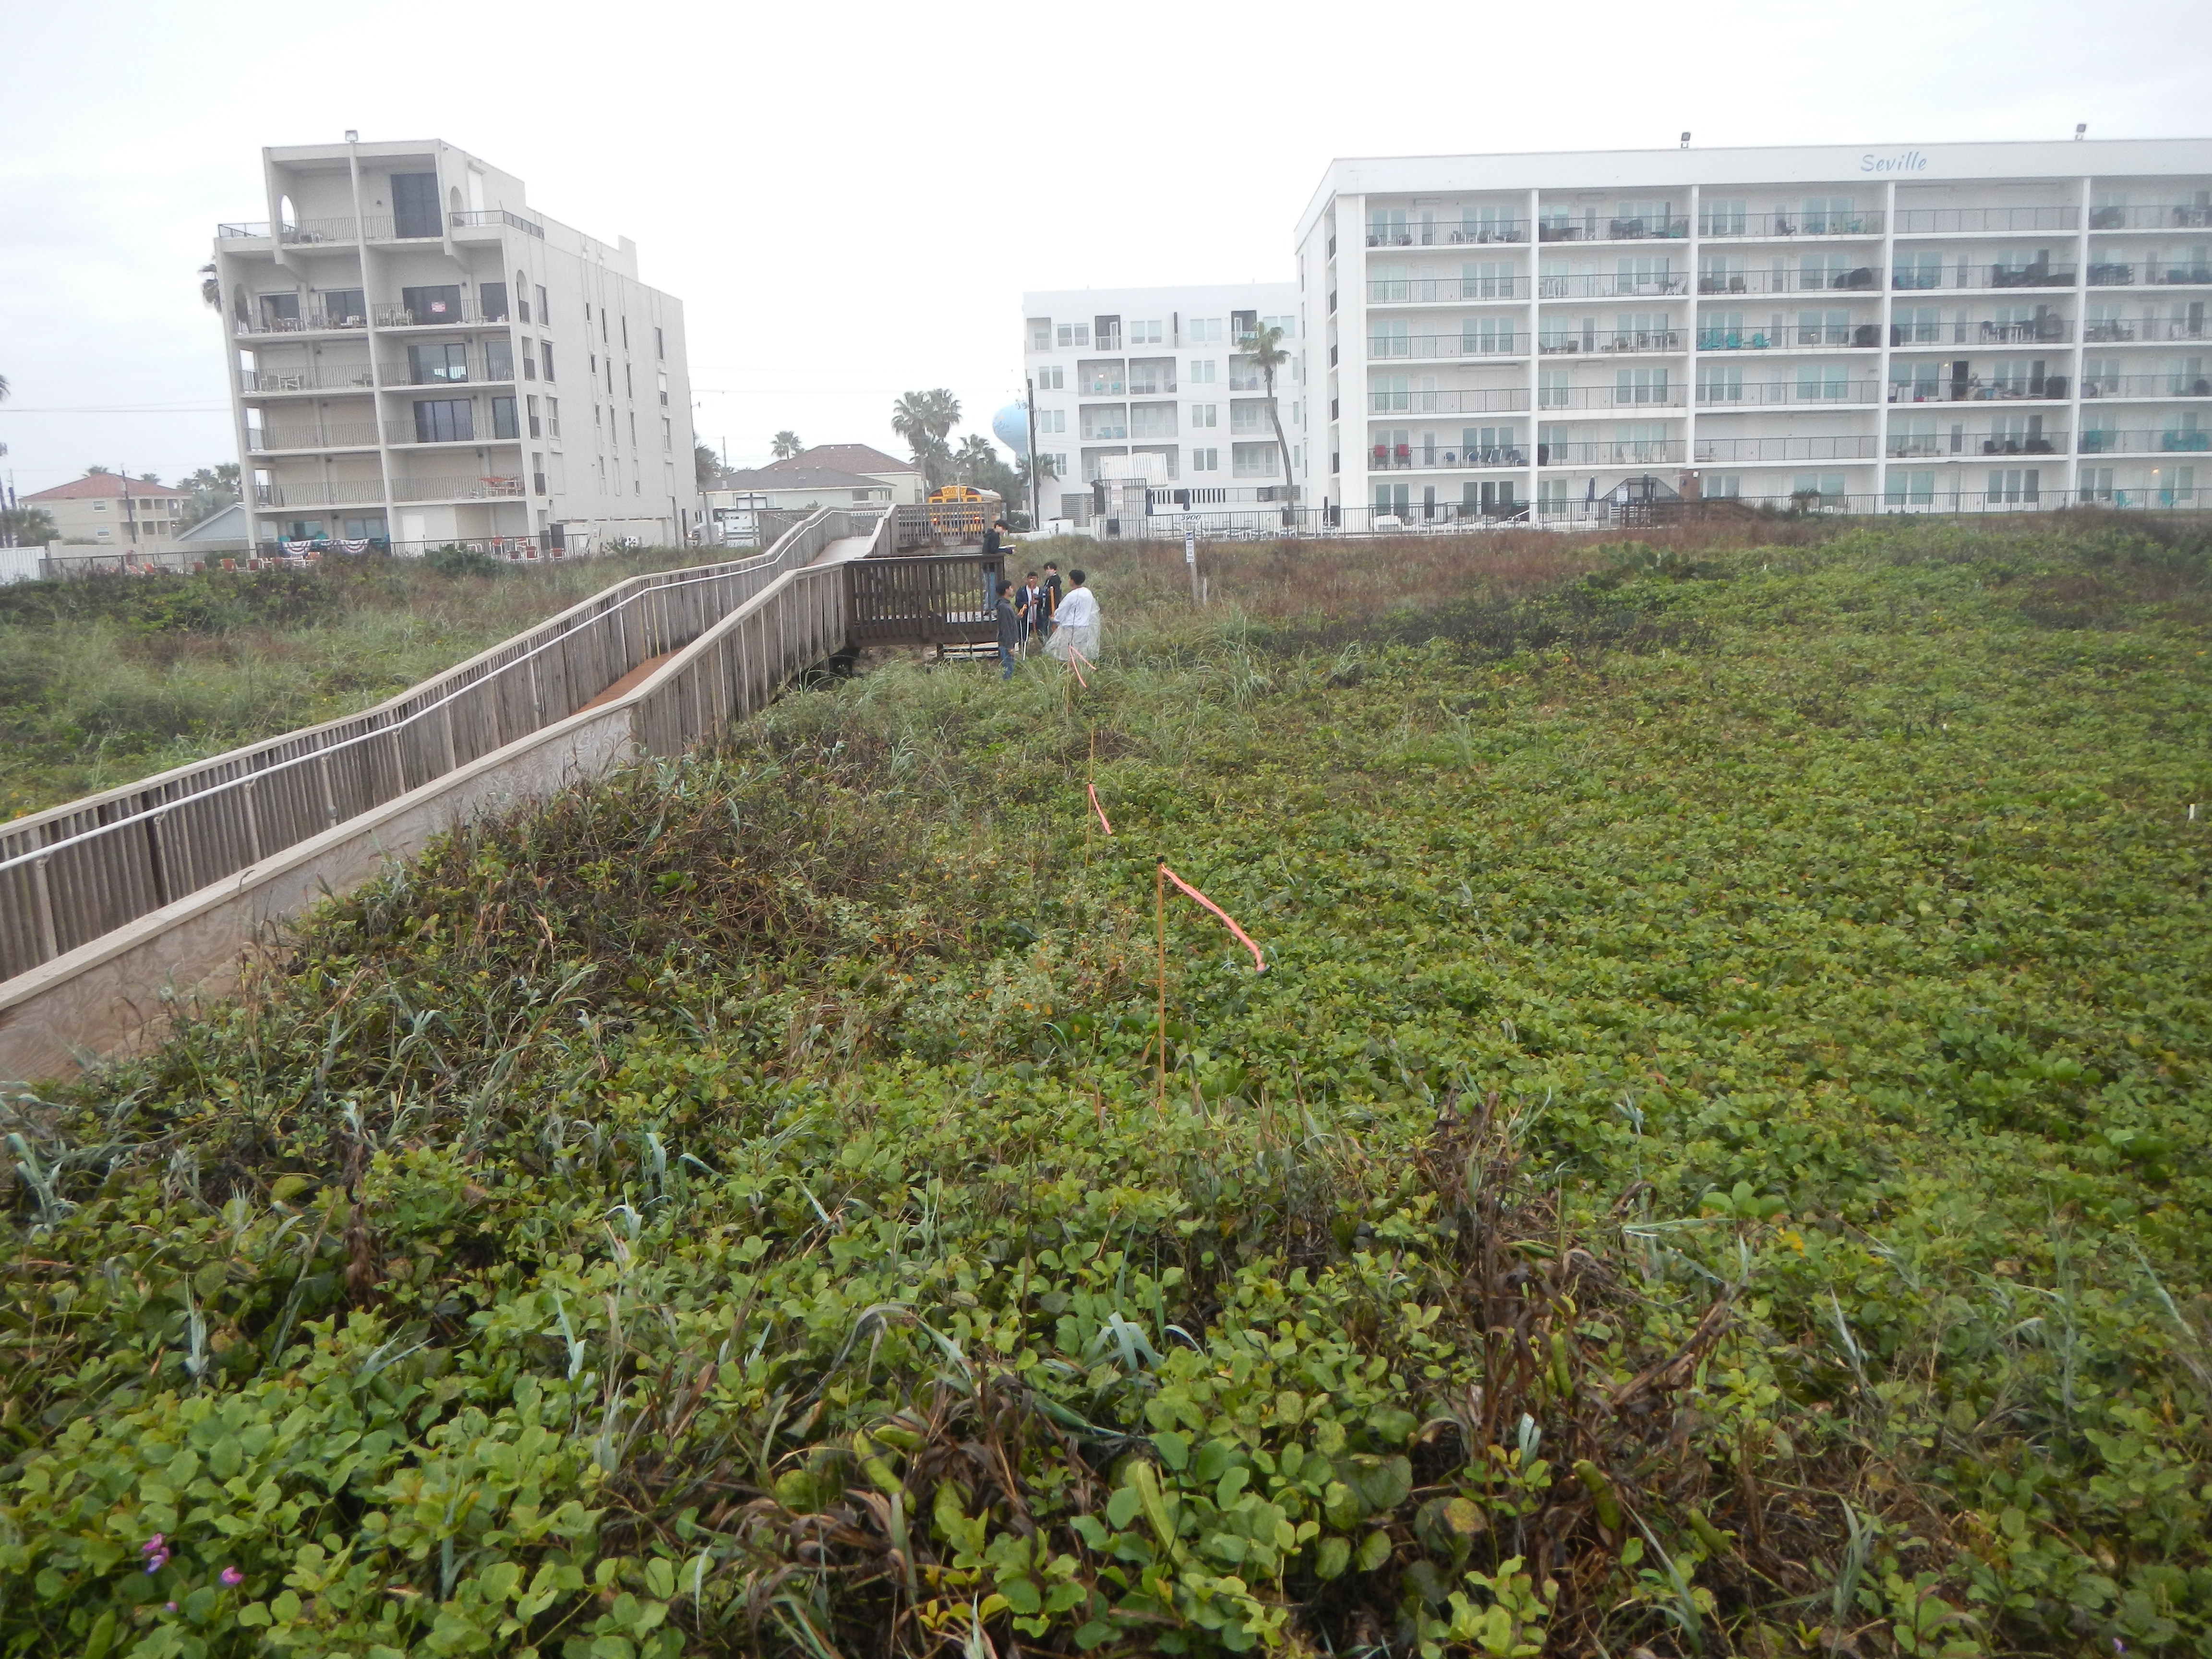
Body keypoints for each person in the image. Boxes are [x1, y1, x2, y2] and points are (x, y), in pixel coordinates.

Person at [1045, 567, 1099, 665]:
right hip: (1084, 627)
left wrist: (1055, 619)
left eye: (1070, 579)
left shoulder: (1072, 595)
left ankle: (1071, 672)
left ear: (1073, 581)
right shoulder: (1088, 593)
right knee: (1080, 651)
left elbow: (1062, 611)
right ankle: (1078, 670)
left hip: (1072, 628)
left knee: (1069, 652)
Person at [994, 579, 1021, 680]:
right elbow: (1005, 628)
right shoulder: (1004, 607)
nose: (1012, 589)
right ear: (1006, 590)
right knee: (1008, 670)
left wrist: (1018, 617)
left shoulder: (1006, 605)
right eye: (1010, 588)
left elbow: (1011, 622)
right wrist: (1010, 647)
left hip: (1007, 643)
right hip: (1006, 644)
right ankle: (1007, 688)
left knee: (1010, 668)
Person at [1040, 562, 1064, 635]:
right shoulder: (1048, 580)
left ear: (1055, 570)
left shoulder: (1056, 580)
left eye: (1050, 569)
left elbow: (1055, 595)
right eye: (1047, 569)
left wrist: (1054, 609)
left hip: (1052, 606)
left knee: (1050, 626)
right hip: (1046, 605)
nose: (1048, 571)